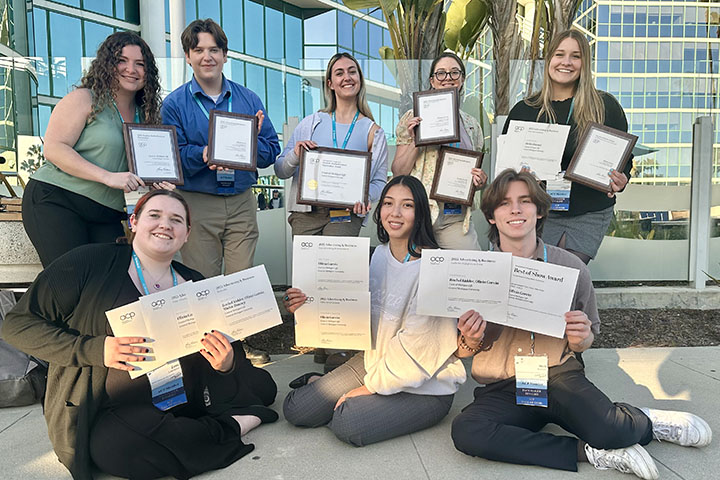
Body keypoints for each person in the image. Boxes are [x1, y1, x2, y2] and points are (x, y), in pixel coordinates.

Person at [450, 169, 712, 479]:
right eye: (505, 203)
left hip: (559, 375)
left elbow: (587, 339)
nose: (516, 210)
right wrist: (468, 338)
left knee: (611, 429)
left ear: (540, 210)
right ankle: (590, 453)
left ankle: (646, 421)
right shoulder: (478, 272)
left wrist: (580, 337)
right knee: (467, 431)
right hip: (504, 383)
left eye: (525, 201)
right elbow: (464, 352)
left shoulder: (570, 267)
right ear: (492, 216)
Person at [2, 189, 278, 480]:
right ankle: (233, 427)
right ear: (133, 221)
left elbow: (243, 372)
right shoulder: (88, 264)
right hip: (110, 409)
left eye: (176, 220)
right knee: (117, 449)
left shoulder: (196, 284)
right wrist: (97, 349)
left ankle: (205, 431)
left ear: (186, 234)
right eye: (154, 215)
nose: (165, 225)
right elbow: (17, 326)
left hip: (181, 405)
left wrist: (225, 365)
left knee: (260, 391)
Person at [281, 175, 466, 446]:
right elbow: (355, 313)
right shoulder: (378, 255)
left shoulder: (433, 269)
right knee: (297, 408)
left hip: (426, 383)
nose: (395, 212)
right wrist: (308, 305)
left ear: (421, 213)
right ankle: (322, 382)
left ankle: (356, 395)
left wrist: (367, 389)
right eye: (389, 203)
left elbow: (417, 350)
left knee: (348, 422)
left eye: (407, 205)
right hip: (376, 362)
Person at [162, 19, 280, 364]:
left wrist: (250, 144)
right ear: (188, 56)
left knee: (243, 278)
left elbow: (270, 150)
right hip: (198, 202)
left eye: (214, 49)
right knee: (203, 280)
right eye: (198, 50)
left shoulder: (247, 98)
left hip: (242, 200)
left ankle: (242, 347)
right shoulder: (175, 104)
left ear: (225, 55)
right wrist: (202, 154)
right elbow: (172, 155)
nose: (207, 56)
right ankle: (210, 351)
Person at [22, 31, 170, 267]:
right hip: (58, 200)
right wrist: (107, 177)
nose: (131, 69)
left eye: (140, 64)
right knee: (69, 281)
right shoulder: (84, 99)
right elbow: (54, 148)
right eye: (122, 61)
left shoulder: (148, 118)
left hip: (107, 213)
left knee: (105, 285)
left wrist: (159, 182)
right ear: (107, 65)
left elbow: (140, 170)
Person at [502, 30, 632, 264]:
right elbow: (506, 170)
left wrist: (621, 180)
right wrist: (518, 178)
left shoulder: (605, 107)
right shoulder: (524, 110)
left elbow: (625, 159)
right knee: (536, 279)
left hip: (589, 211)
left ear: (585, 63)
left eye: (576, 56)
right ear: (549, 59)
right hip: (537, 213)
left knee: (567, 276)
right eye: (559, 54)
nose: (566, 62)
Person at [274, 52, 387, 237]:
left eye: (352, 72)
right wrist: (295, 155)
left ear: (360, 79)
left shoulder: (373, 132)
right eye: (339, 73)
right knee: (306, 267)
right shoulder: (310, 123)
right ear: (330, 83)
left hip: (346, 214)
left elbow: (380, 183)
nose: (347, 77)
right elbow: (280, 170)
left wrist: (365, 196)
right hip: (306, 214)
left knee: (336, 265)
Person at [392, 52, 487, 250]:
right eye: (441, 73)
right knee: (417, 275)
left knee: (471, 269)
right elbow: (399, 171)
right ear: (432, 81)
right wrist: (415, 140)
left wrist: (479, 182)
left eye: (454, 73)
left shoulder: (472, 125)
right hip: (419, 214)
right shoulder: (412, 118)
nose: (448, 78)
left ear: (462, 80)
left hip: (455, 216)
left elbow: (473, 173)